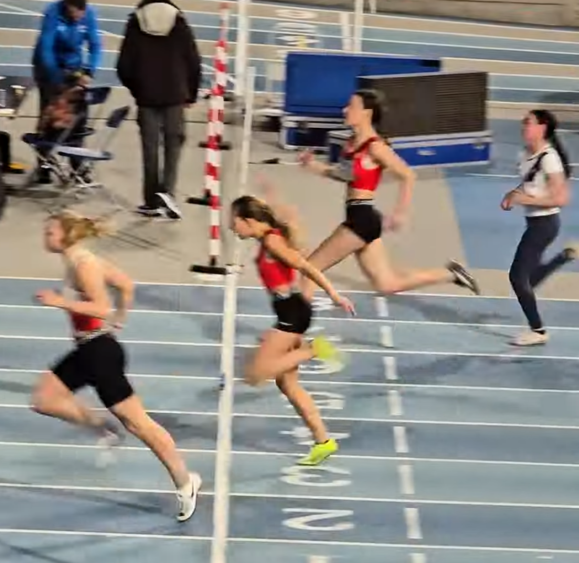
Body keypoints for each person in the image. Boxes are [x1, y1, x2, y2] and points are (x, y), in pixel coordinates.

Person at [31, 211, 201, 521]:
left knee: (140, 425)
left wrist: (61, 302)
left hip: (100, 354)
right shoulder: (79, 260)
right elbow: (125, 284)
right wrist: (122, 316)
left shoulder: (84, 265)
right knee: (44, 399)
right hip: (88, 350)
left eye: (50, 232)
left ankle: (185, 482)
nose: (45, 237)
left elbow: (100, 306)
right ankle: (104, 428)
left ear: (66, 235)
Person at [297, 89, 479, 301]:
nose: (345, 110)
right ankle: (452, 274)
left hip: (361, 220)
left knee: (309, 270)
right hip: (362, 218)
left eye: (352, 106)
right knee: (387, 284)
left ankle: (297, 323)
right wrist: (312, 165)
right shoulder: (350, 144)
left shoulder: (376, 147)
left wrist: (400, 212)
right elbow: (342, 175)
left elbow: (408, 175)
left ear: (366, 113)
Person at [229, 186, 355, 466]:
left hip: (292, 315)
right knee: (288, 384)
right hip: (291, 312)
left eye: (234, 221)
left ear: (248, 220)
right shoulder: (271, 237)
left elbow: (306, 267)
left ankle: (314, 349)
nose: (231, 227)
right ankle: (323, 441)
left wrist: (333, 294)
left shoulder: (272, 242)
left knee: (255, 375)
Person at [500, 109, 579, 346]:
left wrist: (524, 199)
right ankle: (565, 256)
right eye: (523, 122)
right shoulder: (524, 154)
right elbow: (528, 183)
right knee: (527, 280)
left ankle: (538, 331)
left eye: (528, 122)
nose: (524, 126)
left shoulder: (550, 158)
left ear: (542, 128)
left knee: (517, 277)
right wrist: (512, 195)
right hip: (534, 222)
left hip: (545, 224)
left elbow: (561, 199)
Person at [115, 0, 201, 220]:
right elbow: (193, 61)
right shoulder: (179, 20)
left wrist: (138, 89)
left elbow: (123, 66)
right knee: (173, 147)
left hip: (147, 97)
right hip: (175, 95)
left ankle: (151, 200)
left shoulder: (136, 21)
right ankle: (168, 196)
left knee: (150, 151)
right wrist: (190, 93)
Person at [31, 0, 101, 185]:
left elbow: (95, 45)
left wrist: (89, 71)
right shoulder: (52, 12)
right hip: (48, 68)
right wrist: (56, 81)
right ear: (66, 6)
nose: (77, 17)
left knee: (78, 119)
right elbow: (46, 48)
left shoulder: (89, 14)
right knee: (51, 116)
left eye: (80, 13)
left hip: (73, 66)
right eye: (73, 13)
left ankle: (76, 167)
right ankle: (45, 165)